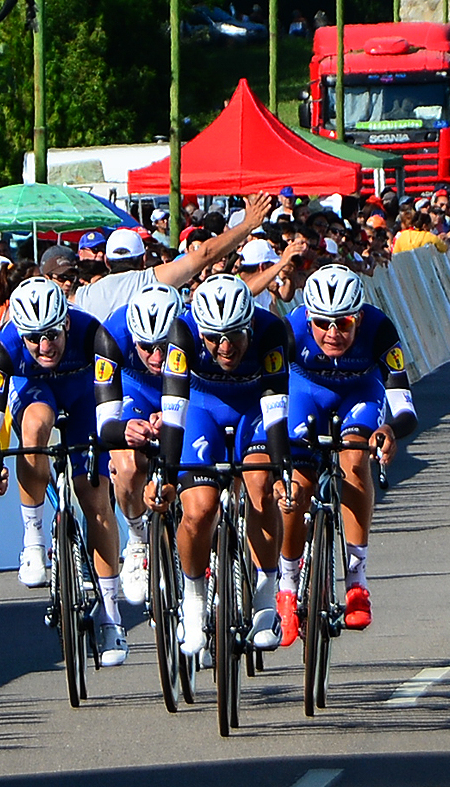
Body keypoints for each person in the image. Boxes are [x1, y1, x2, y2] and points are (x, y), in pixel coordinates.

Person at [0, 278, 129, 666]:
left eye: (54, 335)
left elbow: (109, 415)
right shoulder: (3, 349)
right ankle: (33, 537)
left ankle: (111, 614)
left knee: (95, 499)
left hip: (84, 398)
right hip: (35, 393)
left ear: (67, 323)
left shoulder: (96, 335)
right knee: (34, 427)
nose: (45, 347)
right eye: (34, 339)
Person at [150, 273, 293, 657]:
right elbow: (174, 410)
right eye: (213, 338)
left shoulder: (270, 330)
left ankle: (265, 597)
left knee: (261, 487)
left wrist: (283, 472)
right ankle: (193, 597)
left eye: (234, 336)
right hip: (200, 406)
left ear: (249, 324)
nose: (225, 348)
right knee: (199, 510)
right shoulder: (182, 332)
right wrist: (165, 475)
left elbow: (277, 408)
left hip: (255, 405)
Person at [271, 266, 416, 644]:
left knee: (354, 461)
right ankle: (286, 583)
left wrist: (389, 430)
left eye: (345, 323)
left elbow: (402, 401)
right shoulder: (290, 329)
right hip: (305, 391)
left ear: (360, 317)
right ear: (307, 316)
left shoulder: (380, 329)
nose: (333, 334)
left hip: (359, 393)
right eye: (322, 324)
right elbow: (268, 389)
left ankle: (356, 578)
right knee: (295, 491)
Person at [93, 283, 185, 606]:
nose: (157, 356)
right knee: (129, 466)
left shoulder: (192, 328)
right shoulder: (111, 336)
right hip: (136, 390)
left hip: (186, 386)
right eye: (146, 347)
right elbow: (106, 423)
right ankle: (136, 538)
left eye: (164, 346)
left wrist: (176, 417)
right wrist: (125, 429)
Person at [72, 193, 271, 322]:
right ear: (143, 260)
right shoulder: (151, 279)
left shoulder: (83, 296)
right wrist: (248, 225)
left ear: (107, 261)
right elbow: (205, 254)